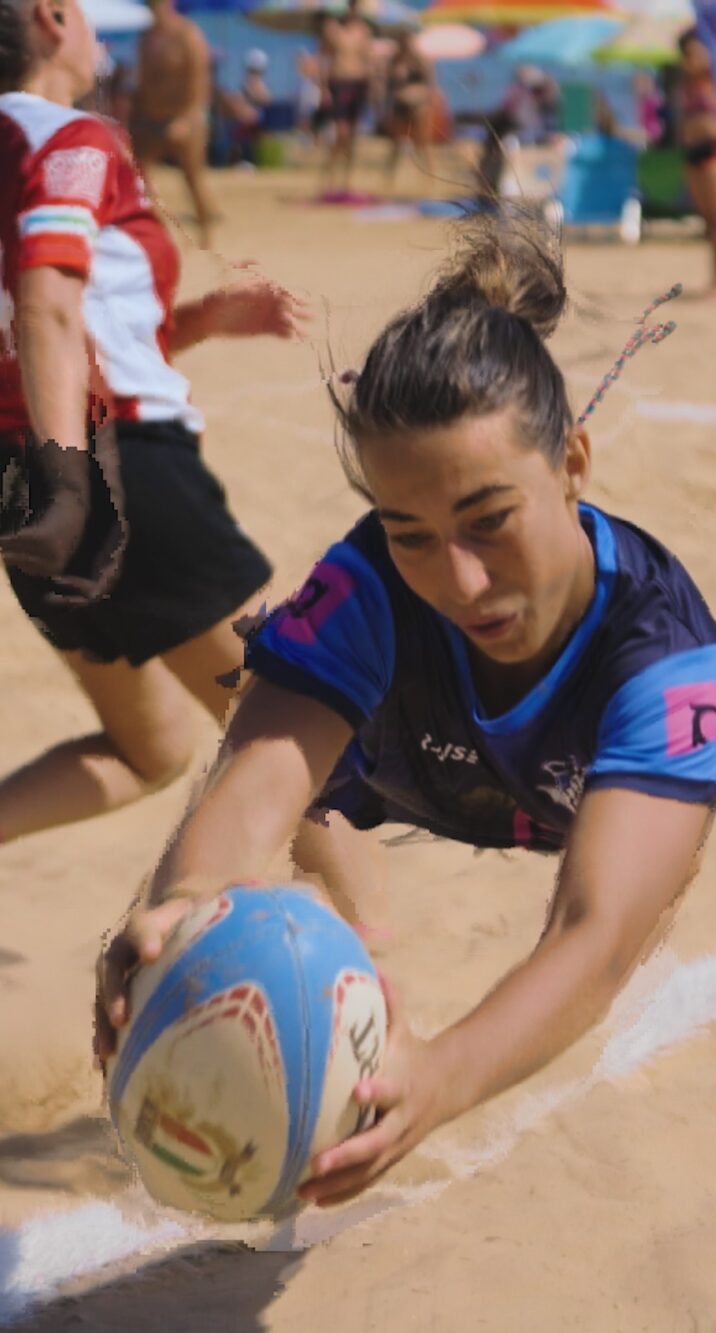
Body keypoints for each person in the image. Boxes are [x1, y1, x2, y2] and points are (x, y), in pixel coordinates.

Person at [97, 215, 716, 1210]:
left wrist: (439, 1077)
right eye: (412, 534)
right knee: (270, 802)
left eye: (490, 521)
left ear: (573, 462)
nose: (463, 579)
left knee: (646, 882)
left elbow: (598, 932)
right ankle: (365, 917)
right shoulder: (371, 592)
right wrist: (178, 907)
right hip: (398, 759)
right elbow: (259, 782)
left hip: (561, 786)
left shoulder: (669, 662)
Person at [0, 0, 308, 843]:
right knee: (291, 726)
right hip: (109, 463)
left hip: (17, 474)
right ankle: (375, 944)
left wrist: (199, 319)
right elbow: (46, 310)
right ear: (53, 18)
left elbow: (48, 323)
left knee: (152, 749)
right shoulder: (70, 140)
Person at [130, 0, 215, 248]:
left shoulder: (187, 34)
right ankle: (152, 236)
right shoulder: (147, 38)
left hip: (185, 118)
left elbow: (200, 82)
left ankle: (206, 237)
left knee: (192, 180)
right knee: (139, 179)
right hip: (152, 120)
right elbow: (144, 84)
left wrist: (187, 119)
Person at [676, 26, 716, 297]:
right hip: (694, 151)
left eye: (692, 49)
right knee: (710, 222)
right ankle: (715, 279)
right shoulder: (686, 83)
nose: (688, 56)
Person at [318, 0, 373, 189]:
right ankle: (330, 172)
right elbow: (324, 58)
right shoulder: (332, 27)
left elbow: (368, 60)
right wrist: (323, 88)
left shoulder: (364, 30)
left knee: (352, 135)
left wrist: (374, 88)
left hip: (359, 83)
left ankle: (347, 179)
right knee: (341, 132)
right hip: (339, 82)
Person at [384, 31, 435, 184]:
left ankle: (429, 178)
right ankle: (389, 179)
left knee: (423, 144)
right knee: (396, 145)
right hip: (401, 104)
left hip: (419, 104)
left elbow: (429, 83)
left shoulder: (420, 60)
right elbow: (388, 87)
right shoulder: (394, 61)